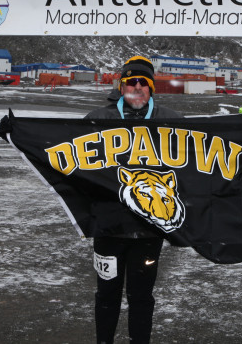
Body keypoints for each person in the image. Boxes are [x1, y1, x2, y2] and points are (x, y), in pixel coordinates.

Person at [84, 55, 182, 344]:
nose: (137, 87)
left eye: (144, 82)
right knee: (106, 294)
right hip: (107, 228)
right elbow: (55, 150)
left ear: (151, 88)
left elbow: (208, 152)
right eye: (131, 82)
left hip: (149, 232)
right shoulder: (97, 119)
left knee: (141, 296)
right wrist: (16, 133)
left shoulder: (171, 120)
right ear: (121, 85)